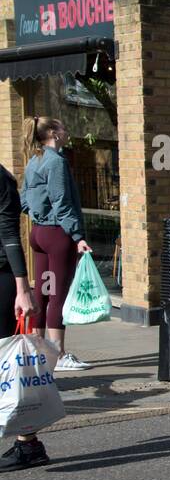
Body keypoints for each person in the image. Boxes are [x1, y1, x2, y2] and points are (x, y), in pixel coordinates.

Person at [19, 116, 93, 371]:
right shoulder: (56, 162)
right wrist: (77, 236)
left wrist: (40, 214)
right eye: (63, 127)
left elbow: (24, 201)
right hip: (57, 236)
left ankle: (40, 353)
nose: (67, 131)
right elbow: (62, 202)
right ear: (53, 132)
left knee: (42, 292)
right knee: (57, 295)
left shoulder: (34, 161)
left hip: (39, 234)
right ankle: (58, 355)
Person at [0, 160, 49, 472]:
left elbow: (8, 233)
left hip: (2, 276)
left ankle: (29, 444)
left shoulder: (1, 180)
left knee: (8, 369)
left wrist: (22, 288)